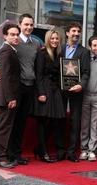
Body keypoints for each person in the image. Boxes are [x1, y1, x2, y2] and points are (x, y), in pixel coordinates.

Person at [7, 13, 41, 165]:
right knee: (13, 121)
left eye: (31, 25)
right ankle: (10, 154)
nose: (29, 27)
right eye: (26, 24)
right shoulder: (14, 40)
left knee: (21, 123)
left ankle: (17, 153)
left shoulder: (35, 44)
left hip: (30, 87)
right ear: (20, 25)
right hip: (17, 87)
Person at [57, 22, 90, 162]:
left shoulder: (84, 51)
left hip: (77, 91)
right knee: (60, 119)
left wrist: (81, 85)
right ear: (67, 33)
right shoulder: (60, 48)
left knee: (75, 121)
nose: (76, 34)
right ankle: (60, 150)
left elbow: (86, 73)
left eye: (78, 31)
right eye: (74, 31)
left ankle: (71, 152)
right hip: (60, 90)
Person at [32, 29, 65, 163]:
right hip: (44, 89)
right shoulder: (42, 53)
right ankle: (43, 151)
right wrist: (41, 93)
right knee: (42, 121)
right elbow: (38, 74)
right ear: (47, 40)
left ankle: (39, 148)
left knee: (55, 120)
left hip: (55, 89)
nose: (55, 41)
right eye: (52, 38)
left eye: (57, 38)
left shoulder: (59, 54)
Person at [0, 23, 21, 168]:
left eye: (17, 34)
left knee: (6, 127)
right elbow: (6, 76)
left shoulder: (11, 50)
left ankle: (3, 156)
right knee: (3, 128)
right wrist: (11, 98)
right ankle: (0, 158)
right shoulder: (6, 51)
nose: (15, 37)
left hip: (6, 96)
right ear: (5, 36)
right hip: (5, 97)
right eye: (12, 34)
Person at [79, 36, 97, 161]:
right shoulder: (85, 58)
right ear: (90, 47)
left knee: (95, 124)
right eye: (94, 45)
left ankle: (92, 150)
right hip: (85, 95)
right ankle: (83, 149)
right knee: (85, 123)